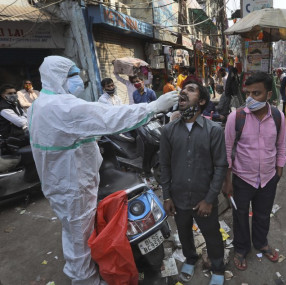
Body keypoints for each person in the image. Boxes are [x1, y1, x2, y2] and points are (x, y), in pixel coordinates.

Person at [29, 55, 178, 285]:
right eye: (73, 75)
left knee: (74, 231)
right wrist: (154, 107)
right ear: (59, 78)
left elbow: (77, 129)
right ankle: (86, 280)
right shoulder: (63, 106)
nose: (79, 80)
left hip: (60, 180)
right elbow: (109, 117)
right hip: (73, 184)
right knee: (79, 238)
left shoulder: (41, 103)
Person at [160, 80, 227, 285]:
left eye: (191, 89)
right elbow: (164, 166)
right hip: (179, 197)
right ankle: (190, 258)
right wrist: (167, 195)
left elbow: (220, 167)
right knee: (183, 231)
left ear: (202, 100)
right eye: (182, 89)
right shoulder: (168, 130)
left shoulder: (214, 130)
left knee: (212, 234)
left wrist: (209, 199)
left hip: (203, 198)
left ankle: (217, 267)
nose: (183, 92)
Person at [223, 72, 286, 271]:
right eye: (248, 93)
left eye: (256, 93)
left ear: (269, 94)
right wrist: (228, 181)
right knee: (240, 215)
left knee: (262, 214)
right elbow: (226, 151)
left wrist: (279, 170)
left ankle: (261, 243)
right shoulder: (236, 117)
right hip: (242, 178)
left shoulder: (278, 116)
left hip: (268, 178)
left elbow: (281, 145)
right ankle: (241, 248)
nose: (250, 98)